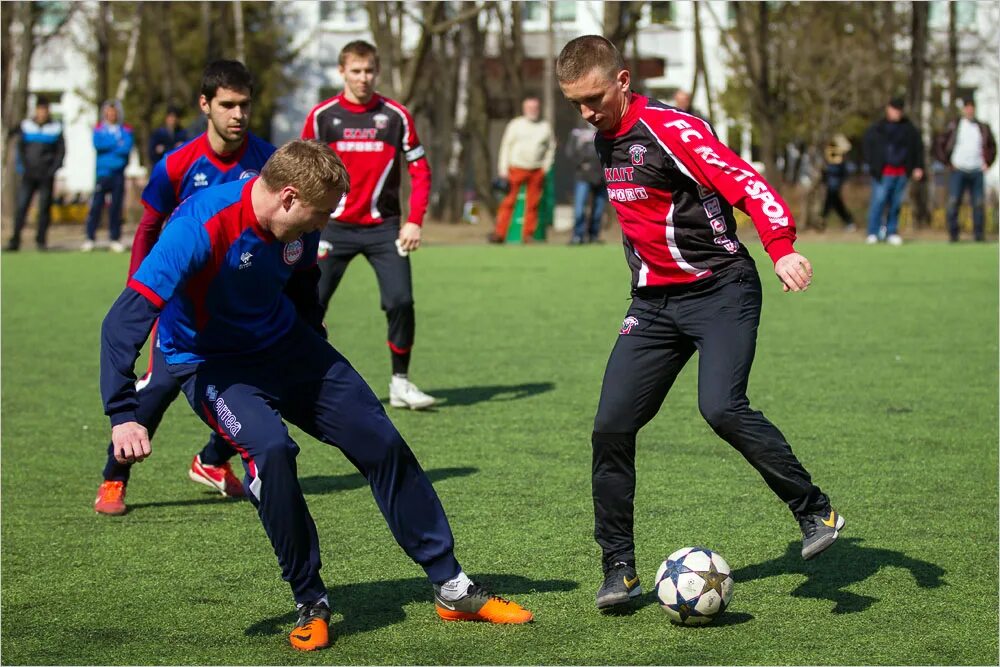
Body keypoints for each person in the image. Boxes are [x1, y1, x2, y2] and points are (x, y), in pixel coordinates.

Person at [99, 140, 534, 651]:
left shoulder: (299, 228)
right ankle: (310, 599)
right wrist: (124, 413)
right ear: (287, 197)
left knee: (381, 440)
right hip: (211, 363)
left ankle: (450, 585)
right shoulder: (200, 226)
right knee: (272, 453)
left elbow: (302, 283)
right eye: (319, 213)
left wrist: (317, 348)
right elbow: (122, 320)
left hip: (287, 347)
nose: (322, 226)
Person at [555, 35, 844, 612]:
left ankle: (815, 510)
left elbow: (746, 182)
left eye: (592, 98)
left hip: (721, 290)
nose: (586, 112)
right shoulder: (602, 137)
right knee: (610, 427)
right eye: (574, 103)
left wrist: (781, 246)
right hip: (653, 306)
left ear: (623, 80)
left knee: (721, 407)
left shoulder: (673, 129)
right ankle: (618, 568)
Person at [94, 60, 277, 516]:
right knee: (156, 391)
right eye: (227, 105)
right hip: (180, 307)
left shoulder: (269, 163)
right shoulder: (177, 164)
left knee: (260, 386)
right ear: (205, 105)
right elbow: (148, 228)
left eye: (245, 105)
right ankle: (114, 478)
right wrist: (140, 292)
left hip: (241, 306)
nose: (238, 114)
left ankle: (212, 460)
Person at [301, 40, 436, 410]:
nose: (363, 78)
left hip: (384, 229)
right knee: (309, 305)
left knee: (401, 301)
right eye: (356, 71)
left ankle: (400, 383)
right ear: (342, 72)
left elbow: (420, 170)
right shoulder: (322, 116)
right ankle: (300, 380)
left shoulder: (395, 116)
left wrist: (414, 221)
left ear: (376, 72)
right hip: (331, 228)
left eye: (369, 71)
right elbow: (301, 168)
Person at [489, 95, 556, 244]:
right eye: (530, 108)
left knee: (533, 204)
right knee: (508, 202)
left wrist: (546, 166)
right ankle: (499, 234)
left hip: (537, 169)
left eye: (535, 108)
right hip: (516, 167)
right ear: (524, 109)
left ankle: (528, 235)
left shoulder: (545, 126)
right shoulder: (515, 125)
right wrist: (503, 168)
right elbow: (506, 146)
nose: (533, 110)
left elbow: (551, 148)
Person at [862, 97, 924, 246]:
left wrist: (918, 166)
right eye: (894, 109)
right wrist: (872, 164)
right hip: (883, 172)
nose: (897, 113)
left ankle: (891, 231)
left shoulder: (909, 128)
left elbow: (918, 148)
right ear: (888, 109)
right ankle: (873, 232)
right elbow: (867, 146)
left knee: (896, 204)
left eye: (899, 110)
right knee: (879, 201)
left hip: (901, 172)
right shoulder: (877, 128)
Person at [934, 98, 997, 242]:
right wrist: (947, 162)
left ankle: (979, 235)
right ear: (963, 110)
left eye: (971, 107)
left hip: (977, 170)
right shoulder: (954, 126)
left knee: (979, 203)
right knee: (954, 201)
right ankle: (954, 235)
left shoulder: (982, 127)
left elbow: (992, 146)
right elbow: (940, 143)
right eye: (967, 107)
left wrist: (988, 163)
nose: (969, 110)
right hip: (958, 170)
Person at [7, 95, 64, 251]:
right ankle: (15, 240)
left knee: (44, 208)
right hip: (29, 174)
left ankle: (41, 241)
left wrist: (53, 169)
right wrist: (24, 167)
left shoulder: (55, 128)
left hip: (46, 175)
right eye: (40, 110)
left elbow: (61, 151)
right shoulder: (26, 126)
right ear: (36, 110)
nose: (42, 113)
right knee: (22, 206)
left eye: (45, 110)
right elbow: (20, 148)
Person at [83, 99, 134, 253]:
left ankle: (114, 238)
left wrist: (113, 146)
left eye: (114, 112)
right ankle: (90, 237)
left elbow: (125, 149)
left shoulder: (126, 130)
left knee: (116, 207)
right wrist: (115, 143)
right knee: (96, 206)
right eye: (109, 112)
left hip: (118, 174)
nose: (111, 115)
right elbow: (99, 145)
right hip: (102, 173)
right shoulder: (99, 129)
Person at [566, 123, 606, 244]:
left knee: (598, 210)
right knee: (579, 209)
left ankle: (594, 236)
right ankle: (578, 236)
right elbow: (570, 151)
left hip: (602, 176)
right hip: (583, 176)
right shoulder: (577, 131)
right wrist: (582, 163)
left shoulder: (606, 129)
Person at [820, 134, 855, 231]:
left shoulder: (839, 141)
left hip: (836, 177)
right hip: (830, 178)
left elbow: (847, 148)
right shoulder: (827, 147)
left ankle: (823, 219)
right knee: (834, 201)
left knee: (832, 200)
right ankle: (848, 221)